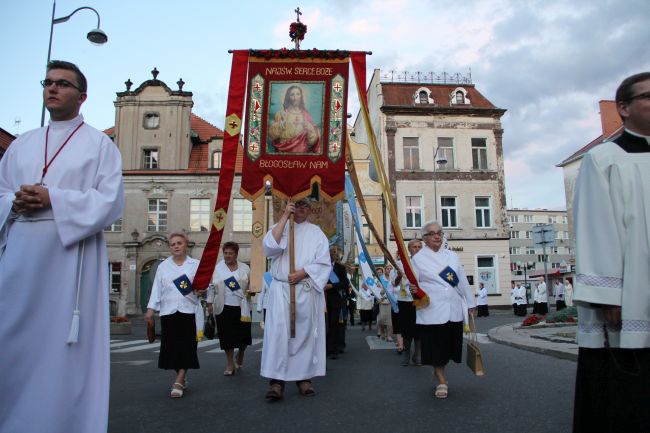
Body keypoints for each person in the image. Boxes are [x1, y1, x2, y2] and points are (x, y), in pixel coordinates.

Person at [0, 60, 123, 433]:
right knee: (12, 341)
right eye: (49, 82)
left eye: (63, 84)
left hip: (70, 258)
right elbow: (3, 189)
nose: (53, 89)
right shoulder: (22, 144)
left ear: (82, 96)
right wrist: (12, 204)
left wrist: (54, 199)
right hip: (21, 251)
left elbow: (110, 200)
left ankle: (64, 421)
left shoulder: (100, 145)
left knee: (63, 350)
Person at [572, 72, 650, 433]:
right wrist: (607, 294)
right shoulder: (603, 158)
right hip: (632, 291)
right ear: (624, 108)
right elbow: (595, 226)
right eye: (648, 96)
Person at [260, 198, 331, 400]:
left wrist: (304, 272)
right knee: (278, 335)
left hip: (304, 289)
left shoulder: (316, 233)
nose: (301, 208)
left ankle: (304, 378)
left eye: (305, 205)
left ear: (310, 209)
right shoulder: (280, 227)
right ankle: (276, 382)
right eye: (297, 204)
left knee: (304, 334)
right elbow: (269, 248)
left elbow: (324, 262)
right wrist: (284, 217)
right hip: (281, 290)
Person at [411, 221, 476, 399]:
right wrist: (412, 290)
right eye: (432, 233)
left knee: (448, 347)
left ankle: (439, 370)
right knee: (436, 346)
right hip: (432, 309)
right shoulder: (417, 259)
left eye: (439, 232)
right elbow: (412, 284)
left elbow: (461, 280)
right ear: (425, 238)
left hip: (453, 307)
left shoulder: (452, 256)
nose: (437, 236)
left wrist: (471, 303)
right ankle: (441, 380)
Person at [145, 232, 202, 398]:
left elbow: (203, 287)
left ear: (186, 245)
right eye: (173, 244)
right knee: (172, 348)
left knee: (187, 346)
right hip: (168, 311)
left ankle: (179, 380)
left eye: (179, 243)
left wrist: (202, 291)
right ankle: (181, 376)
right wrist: (150, 309)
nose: (176, 246)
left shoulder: (195, 265)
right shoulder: (163, 267)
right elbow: (157, 289)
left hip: (188, 310)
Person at [207, 241, 252, 376]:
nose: (227, 256)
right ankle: (230, 364)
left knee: (244, 336)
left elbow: (251, 285)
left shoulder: (245, 268)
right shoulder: (217, 269)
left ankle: (241, 353)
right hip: (223, 307)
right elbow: (211, 287)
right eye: (225, 253)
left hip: (242, 307)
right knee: (227, 337)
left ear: (236, 254)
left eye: (230, 253)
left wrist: (252, 291)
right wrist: (209, 303)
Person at [391, 239, 423, 366]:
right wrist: (399, 275)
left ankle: (418, 355)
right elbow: (394, 283)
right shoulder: (401, 263)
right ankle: (407, 354)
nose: (417, 249)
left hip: (420, 300)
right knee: (406, 330)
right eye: (414, 247)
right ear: (409, 249)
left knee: (419, 329)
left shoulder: (425, 263)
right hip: (404, 301)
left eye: (419, 247)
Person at [268, 85, 320, 154]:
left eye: (298, 94)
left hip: (302, 154)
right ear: (288, 97)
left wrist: (309, 129)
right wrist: (280, 125)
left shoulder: (306, 115)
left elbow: (312, 141)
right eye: (292, 95)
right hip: (283, 152)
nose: (295, 98)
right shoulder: (281, 114)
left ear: (301, 96)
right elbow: (272, 135)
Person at [325, 246, 350, 359]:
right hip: (322, 300)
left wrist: (332, 286)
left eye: (333, 254)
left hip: (335, 300)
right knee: (324, 325)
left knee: (334, 324)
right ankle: (324, 348)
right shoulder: (320, 268)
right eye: (329, 254)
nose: (331, 255)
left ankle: (333, 349)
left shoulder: (340, 268)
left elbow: (345, 283)